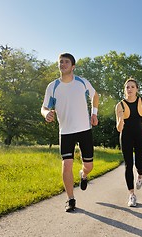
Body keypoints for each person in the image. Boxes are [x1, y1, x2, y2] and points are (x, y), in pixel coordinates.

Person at [41, 53, 99, 212]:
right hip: (65, 131)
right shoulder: (52, 87)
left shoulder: (82, 83)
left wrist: (94, 114)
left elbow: (95, 96)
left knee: (89, 165)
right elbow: (44, 107)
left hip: (84, 129)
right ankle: (70, 199)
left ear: (73, 66)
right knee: (66, 164)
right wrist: (46, 114)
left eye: (66, 62)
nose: (63, 64)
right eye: (61, 62)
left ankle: (84, 175)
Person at [115, 77, 142, 207]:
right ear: (124, 90)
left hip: (140, 135)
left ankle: (140, 176)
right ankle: (132, 195)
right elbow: (119, 129)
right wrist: (120, 120)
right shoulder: (120, 105)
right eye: (127, 87)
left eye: (132, 87)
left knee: (139, 164)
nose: (129, 89)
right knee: (128, 165)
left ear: (136, 89)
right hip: (126, 136)